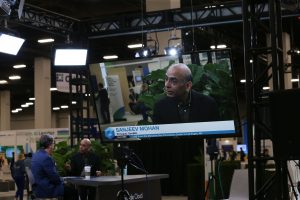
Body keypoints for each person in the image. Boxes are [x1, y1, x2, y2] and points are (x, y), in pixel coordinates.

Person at [153, 63, 219, 124]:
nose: (167, 85)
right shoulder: (160, 107)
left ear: (188, 85)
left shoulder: (208, 104)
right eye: (166, 79)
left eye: (174, 81)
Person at [31, 134, 76, 199]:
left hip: (38, 189)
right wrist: (63, 181)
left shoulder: (36, 155)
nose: (54, 146)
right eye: (53, 143)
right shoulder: (46, 158)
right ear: (50, 145)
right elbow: (54, 178)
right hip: (47, 189)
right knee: (72, 191)